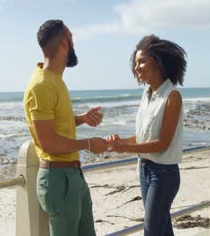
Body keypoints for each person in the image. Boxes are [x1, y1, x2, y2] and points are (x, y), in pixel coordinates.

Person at [23, 19, 107, 236]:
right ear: (64, 44)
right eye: (71, 38)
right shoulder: (41, 85)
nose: (73, 44)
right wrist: (89, 144)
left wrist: (81, 119)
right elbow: (48, 143)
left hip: (72, 175)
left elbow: (57, 124)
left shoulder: (54, 80)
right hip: (58, 179)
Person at [107, 35, 187, 236]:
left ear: (158, 62)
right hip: (144, 171)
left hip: (163, 174)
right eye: (135, 63)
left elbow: (162, 143)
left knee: (152, 231)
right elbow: (144, 135)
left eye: (142, 61)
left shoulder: (172, 96)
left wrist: (124, 149)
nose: (137, 67)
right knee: (162, 230)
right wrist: (121, 141)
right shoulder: (147, 94)